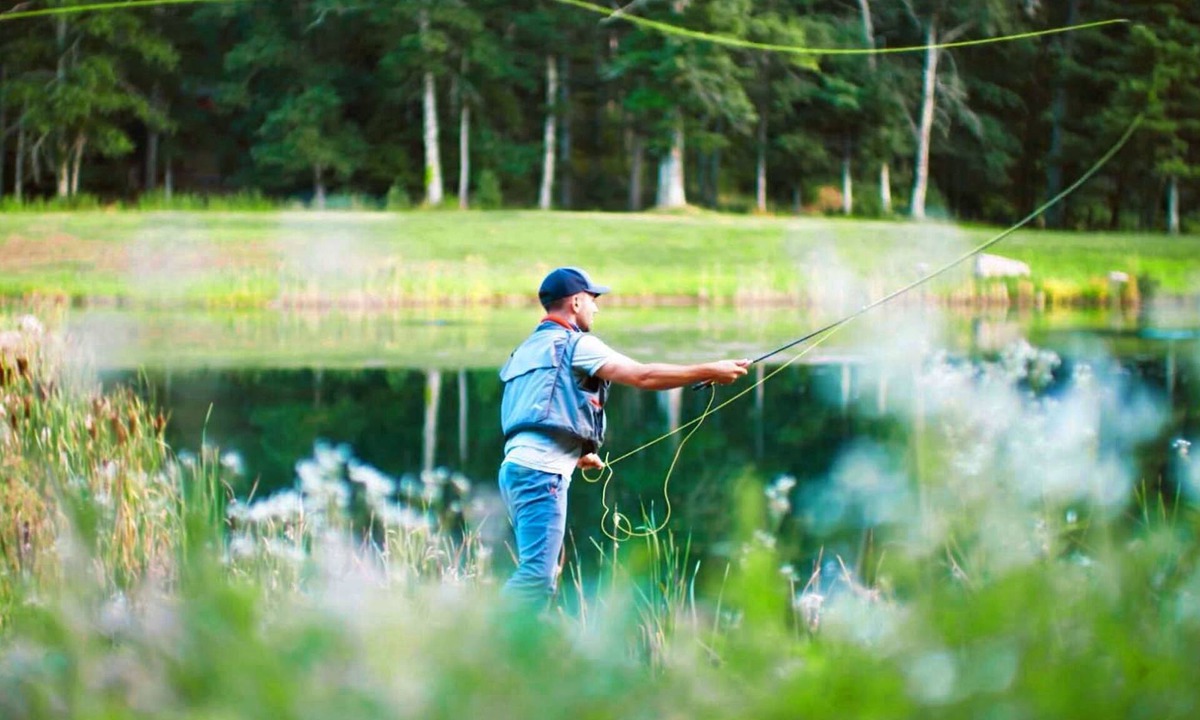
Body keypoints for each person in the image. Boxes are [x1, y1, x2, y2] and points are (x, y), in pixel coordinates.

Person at [497, 267, 749, 606]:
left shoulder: (527, 349)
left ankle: (516, 650)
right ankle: (481, 645)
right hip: (540, 473)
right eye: (592, 299)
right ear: (574, 302)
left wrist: (576, 452)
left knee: (541, 572)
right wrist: (710, 370)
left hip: (515, 470)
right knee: (537, 577)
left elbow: (537, 409)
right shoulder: (577, 344)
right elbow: (643, 376)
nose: (596, 308)